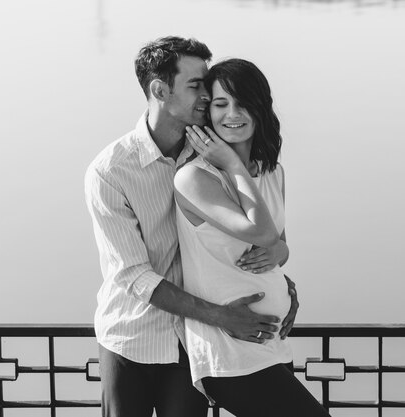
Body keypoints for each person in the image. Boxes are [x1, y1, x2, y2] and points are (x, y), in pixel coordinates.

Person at [84, 37, 299, 417]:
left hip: (192, 341)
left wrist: (278, 282)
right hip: (133, 337)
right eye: (196, 85)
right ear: (159, 90)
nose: (207, 94)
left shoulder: (210, 149)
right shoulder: (111, 171)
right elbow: (134, 276)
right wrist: (222, 316)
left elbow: (248, 232)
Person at [175, 59, 329, 417]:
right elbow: (261, 232)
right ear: (207, 113)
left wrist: (281, 252)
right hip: (230, 353)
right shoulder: (195, 179)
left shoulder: (272, 172)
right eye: (220, 104)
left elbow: (278, 244)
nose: (233, 113)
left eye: (243, 103)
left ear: (260, 108)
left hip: (271, 345)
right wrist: (231, 164)